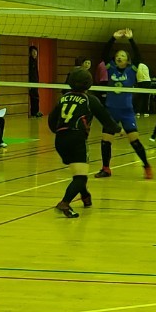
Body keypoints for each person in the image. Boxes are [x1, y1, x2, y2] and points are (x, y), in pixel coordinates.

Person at [48, 68, 119, 218]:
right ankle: (64, 203)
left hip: (60, 140)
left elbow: (51, 120)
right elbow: (106, 119)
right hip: (76, 139)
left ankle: (85, 196)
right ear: (89, 83)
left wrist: (59, 132)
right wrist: (119, 129)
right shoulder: (89, 100)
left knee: (78, 173)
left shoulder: (63, 98)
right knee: (80, 177)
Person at [95, 30, 152, 180]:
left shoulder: (132, 70)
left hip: (126, 111)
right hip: (111, 111)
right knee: (106, 141)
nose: (119, 57)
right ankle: (106, 169)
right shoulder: (111, 68)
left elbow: (139, 57)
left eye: (123, 56)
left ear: (127, 60)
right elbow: (104, 54)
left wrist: (131, 40)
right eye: (117, 55)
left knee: (134, 141)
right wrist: (113, 38)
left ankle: (146, 165)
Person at [28, 45, 42, 118]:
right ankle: (34, 112)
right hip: (31, 83)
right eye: (33, 52)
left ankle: (36, 111)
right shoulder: (30, 61)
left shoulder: (35, 61)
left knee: (36, 97)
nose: (35, 53)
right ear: (30, 53)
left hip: (35, 83)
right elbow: (30, 73)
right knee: (34, 98)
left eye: (36, 52)